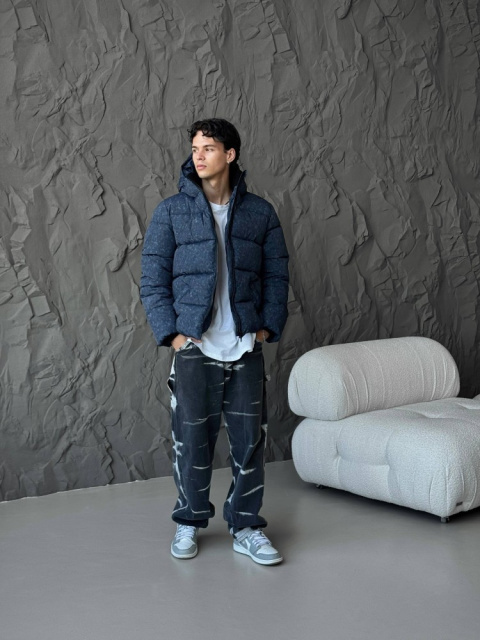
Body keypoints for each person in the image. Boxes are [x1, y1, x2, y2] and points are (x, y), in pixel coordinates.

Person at [140, 118, 289, 565]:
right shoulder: (171, 212)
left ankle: (246, 527)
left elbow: (277, 276)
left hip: (243, 347)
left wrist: (265, 327)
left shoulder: (260, 213)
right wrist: (173, 336)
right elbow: (152, 281)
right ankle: (189, 519)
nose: (199, 156)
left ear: (230, 154)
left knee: (250, 444)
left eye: (208, 148)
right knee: (191, 442)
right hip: (195, 348)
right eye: (195, 148)